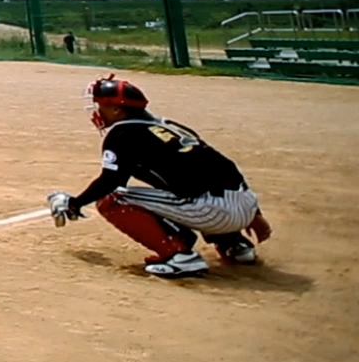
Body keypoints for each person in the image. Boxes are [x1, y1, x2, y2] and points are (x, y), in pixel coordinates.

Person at [46, 74, 270, 278]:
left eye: (102, 106)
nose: (97, 111)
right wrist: (254, 214)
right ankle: (235, 246)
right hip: (243, 203)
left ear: (117, 110)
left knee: (113, 199)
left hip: (214, 212)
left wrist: (75, 203)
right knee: (185, 187)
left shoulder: (122, 133)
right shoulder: (166, 126)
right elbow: (223, 166)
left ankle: (179, 257)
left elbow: (111, 181)